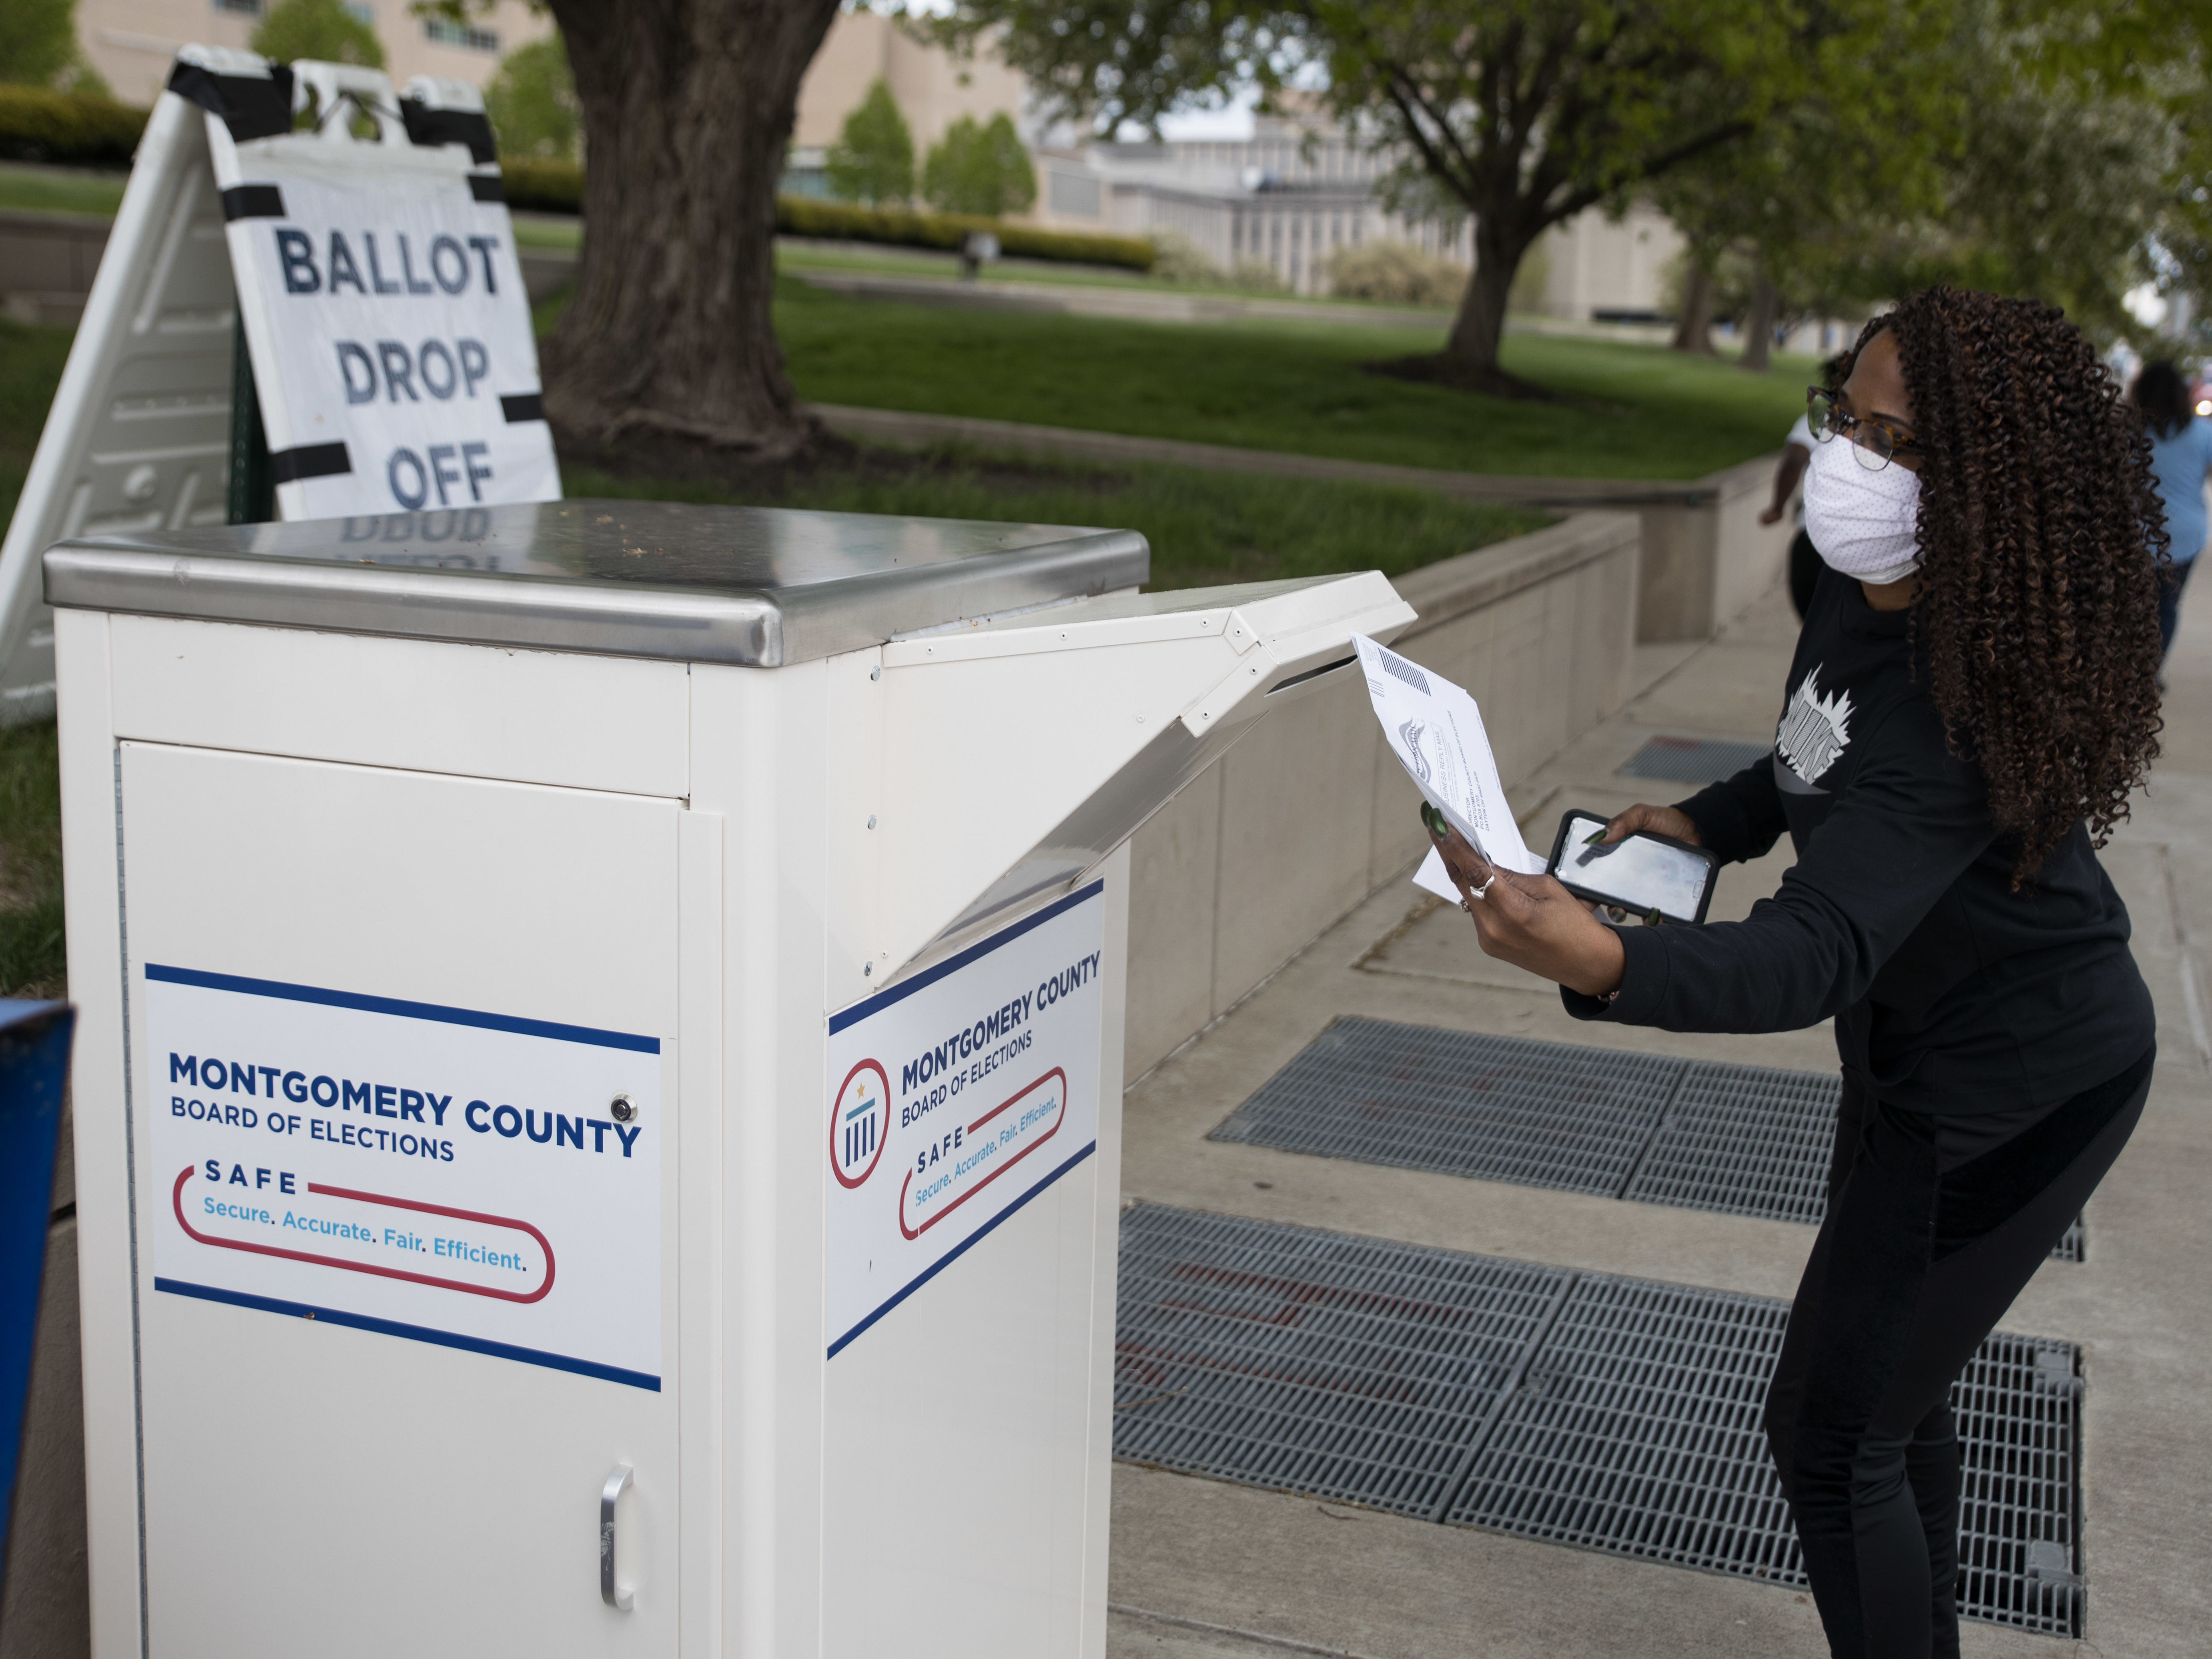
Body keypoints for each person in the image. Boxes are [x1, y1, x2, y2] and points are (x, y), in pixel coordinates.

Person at [1426, 287, 2162, 1659]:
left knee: (1828, 1432)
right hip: (1911, 1054)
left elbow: (1810, 949)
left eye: (1900, 445)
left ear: (1990, 496)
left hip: (2014, 1085)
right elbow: (1808, 754)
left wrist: (1602, 956)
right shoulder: (1849, 583)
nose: (1850, 463)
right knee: (1889, 1400)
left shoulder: (1963, 708)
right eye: (1848, 419)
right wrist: (1707, 820)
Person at [2132, 360, 2212, 659]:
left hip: (2136, 534)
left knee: (2135, 605)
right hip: (2185, 536)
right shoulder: (2203, 433)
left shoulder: (2130, 433)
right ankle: (2151, 669)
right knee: (2166, 605)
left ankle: (2134, 668)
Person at [1760, 356, 1849, 620]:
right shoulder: (1880, 430)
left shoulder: (1817, 419)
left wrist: (1777, 508)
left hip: (1813, 540)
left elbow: (1793, 461)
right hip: (1853, 549)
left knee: (1814, 627)